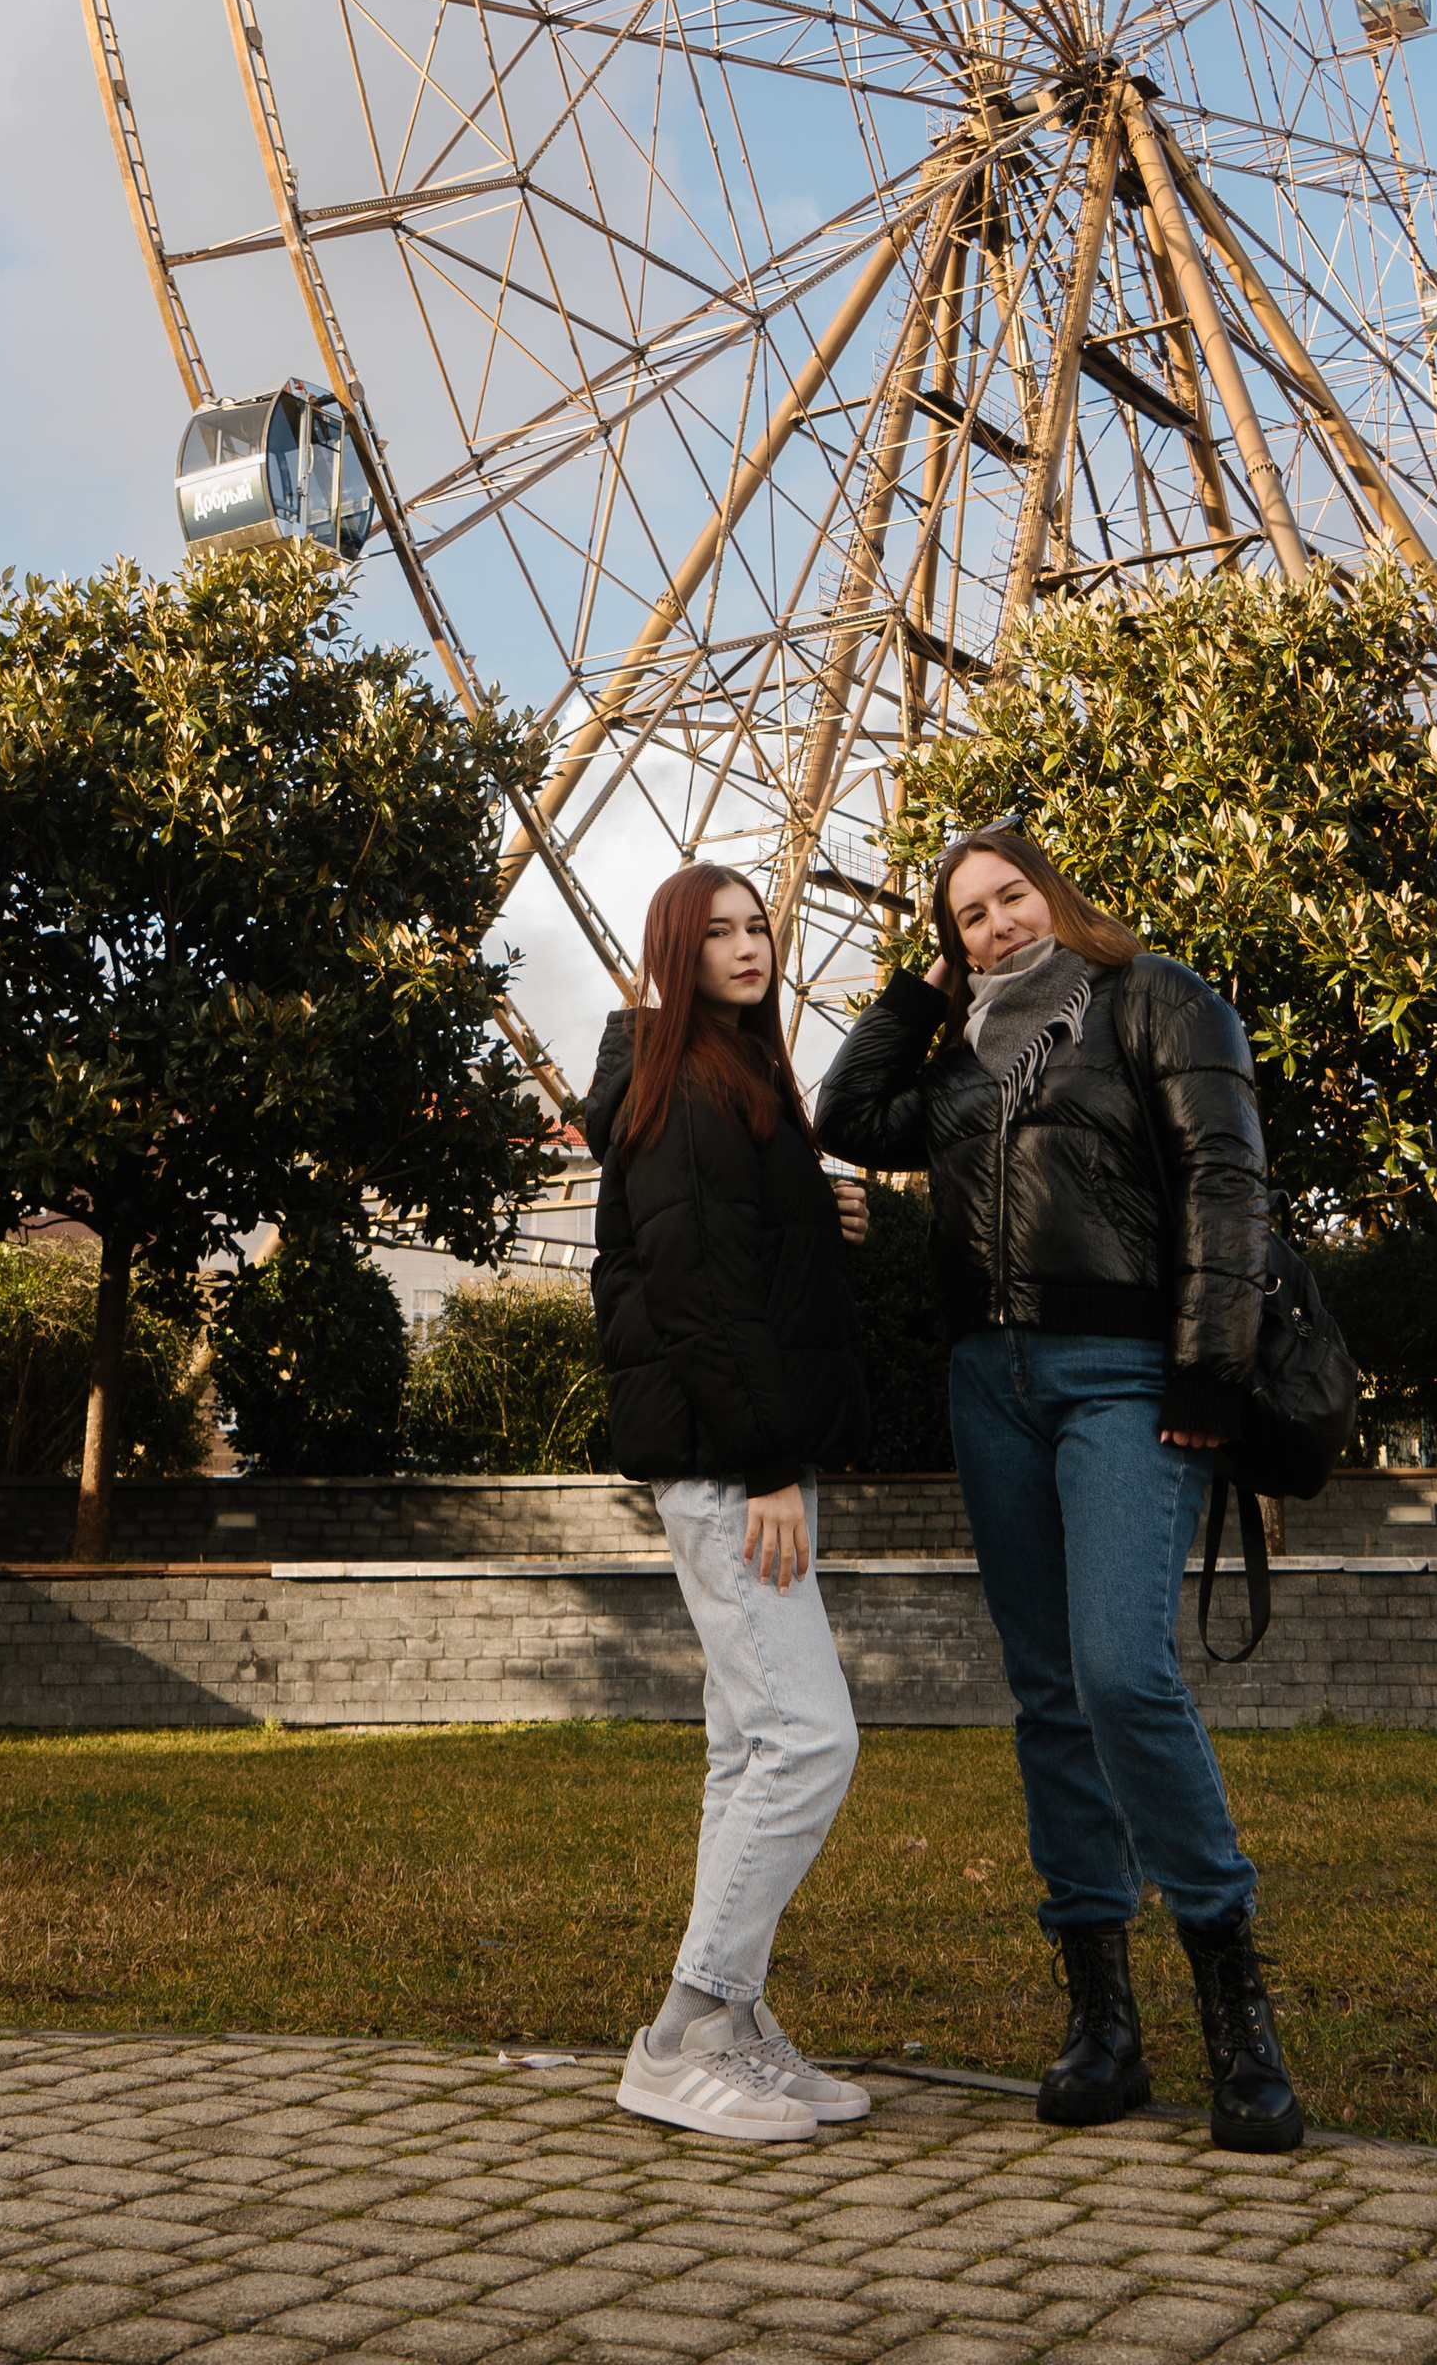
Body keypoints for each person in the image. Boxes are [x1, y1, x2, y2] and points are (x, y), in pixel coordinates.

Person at [815, 818, 1303, 2155]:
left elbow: (1224, 1178)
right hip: (992, 1383)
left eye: (1010, 897)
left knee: (1120, 1673)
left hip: (1126, 1374)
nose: (996, 927)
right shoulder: (960, 1060)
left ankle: (1236, 2011)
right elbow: (846, 1114)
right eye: (967, 916)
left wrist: (1207, 1373)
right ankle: (1103, 2022)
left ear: (1059, 898)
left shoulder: (1155, 1000)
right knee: (1046, 1695)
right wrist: (922, 989)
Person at [586, 860, 874, 2147]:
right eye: (718, 934)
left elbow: (735, 1248)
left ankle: (736, 2027)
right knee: (809, 1739)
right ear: (675, 951)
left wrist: (822, 1217)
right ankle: (681, 2032)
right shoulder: (685, 1089)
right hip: (724, 1462)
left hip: (738, 1451)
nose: (748, 948)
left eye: (759, 927)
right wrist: (766, 1466)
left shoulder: (730, 1081)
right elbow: (698, 1293)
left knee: (747, 1748)